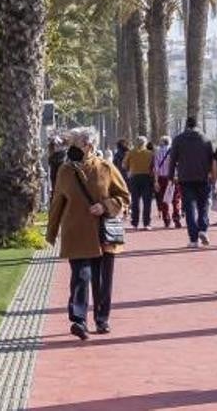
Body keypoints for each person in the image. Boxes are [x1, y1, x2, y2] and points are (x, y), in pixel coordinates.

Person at [46, 126, 130, 340]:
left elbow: (124, 196)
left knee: (102, 280)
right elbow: (57, 202)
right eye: (70, 144)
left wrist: (105, 206)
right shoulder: (65, 171)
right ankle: (79, 320)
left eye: (76, 144)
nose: (71, 149)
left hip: (103, 235)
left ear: (89, 146)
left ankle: (102, 320)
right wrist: (51, 232)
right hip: (76, 232)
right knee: (81, 277)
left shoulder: (106, 168)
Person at [167, 117, 216, 247]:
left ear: (186, 125)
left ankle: (193, 239)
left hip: (185, 178)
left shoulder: (178, 139)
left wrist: (170, 176)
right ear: (197, 125)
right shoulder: (206, 139)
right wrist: (213, 176)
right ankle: (203, 229)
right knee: (203, 206)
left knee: (189, 208)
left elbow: (172, 159)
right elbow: (212, 159)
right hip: (203, 177)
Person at [124, 136, 156, 231]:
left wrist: (131, 168)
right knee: (147, 201)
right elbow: (154, 167)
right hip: (147, 178)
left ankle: (135, 223)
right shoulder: (150, 154)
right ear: (145, 143)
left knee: (135, 201)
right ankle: (146, 223)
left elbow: (124, 165)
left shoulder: (130, 153)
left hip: (134, 177)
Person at [152, 135, 181, 229]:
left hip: (161, 178)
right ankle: (176, 217)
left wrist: (156, 181)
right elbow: (178, 165)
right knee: (175, 199)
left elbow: (156, 168)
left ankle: (166, 219)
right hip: (173, 178)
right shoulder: (174, 151)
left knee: (164, 199)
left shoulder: (157, 152)